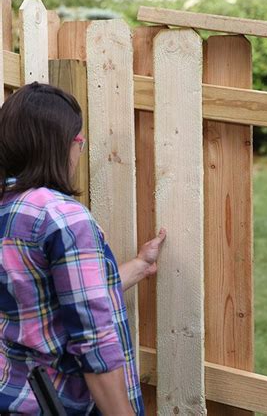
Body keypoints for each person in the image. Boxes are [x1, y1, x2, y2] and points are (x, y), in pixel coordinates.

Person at [0, 82, 166, 415]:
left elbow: (47, 300)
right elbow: (94, 340)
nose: (80, 150)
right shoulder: (62, 217)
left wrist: (138, 265)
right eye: (79, 141)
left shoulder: (9, 208)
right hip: (61, 403)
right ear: (59, 145)